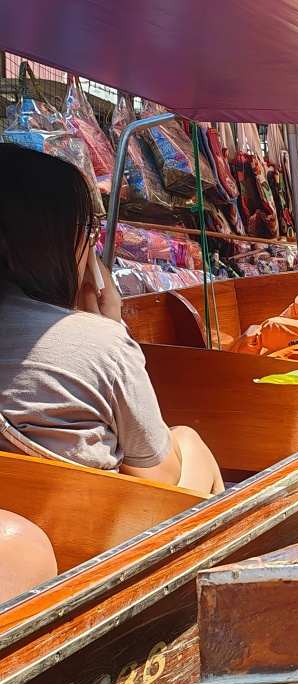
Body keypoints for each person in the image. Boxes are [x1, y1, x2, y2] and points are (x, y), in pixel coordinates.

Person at [0, 144, 223, 494]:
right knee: (189, 441)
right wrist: (110, 325)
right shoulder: (102, 345)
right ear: (57, 242)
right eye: (87, 232)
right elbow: (158, 476)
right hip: (92, 527)